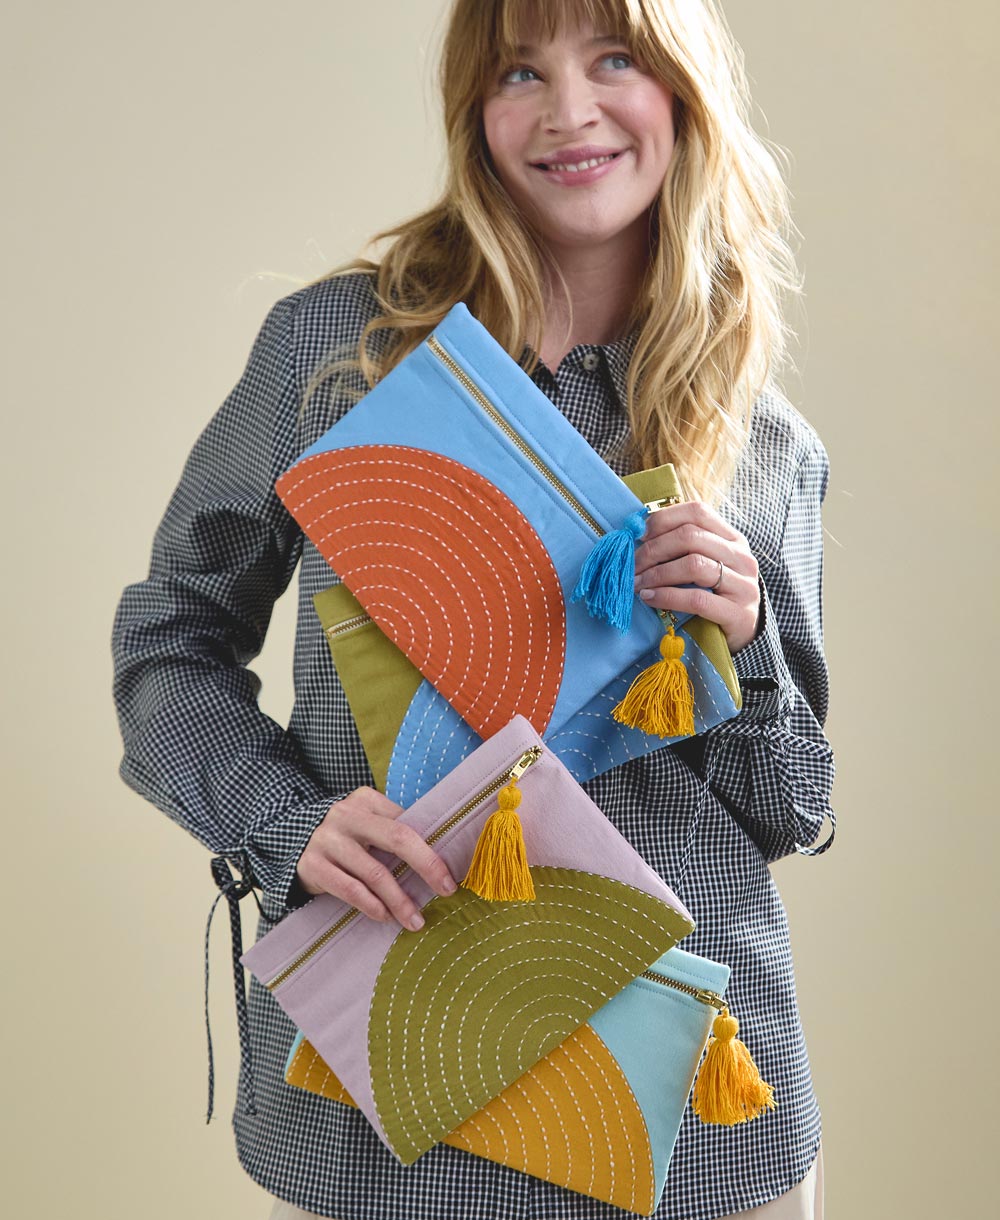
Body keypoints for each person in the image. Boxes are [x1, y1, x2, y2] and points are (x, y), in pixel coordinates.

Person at [111, 1, 835, 1217]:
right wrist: (286, 821)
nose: (569, 111)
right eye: (519, 72)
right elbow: (168, 639)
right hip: (385, 1089)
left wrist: (748, 641)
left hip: (701, 1109)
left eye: (615, 60)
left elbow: (790, 807)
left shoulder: (761, 440)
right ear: (473, 114)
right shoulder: (335, 352)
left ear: (685, 97)